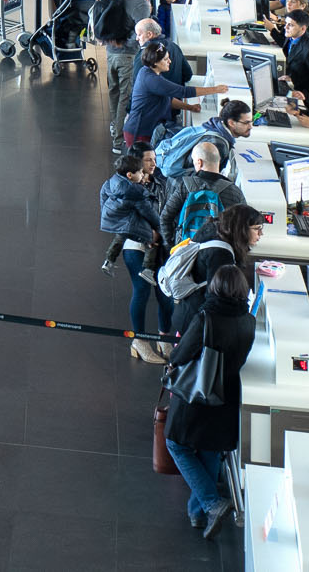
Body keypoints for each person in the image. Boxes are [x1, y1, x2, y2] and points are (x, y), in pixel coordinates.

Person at [164, 264, 257, 536]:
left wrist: (173, 359)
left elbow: (180, 356)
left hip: (197, 395)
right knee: (210, 450)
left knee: (177, 445)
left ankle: (211, 502)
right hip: (227, 397)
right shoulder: (249, 321)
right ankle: (199, 513)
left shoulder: (206, 317)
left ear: (215, 288)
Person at [101, 147, 169, 360]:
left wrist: (160, 233)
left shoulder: (161, 182)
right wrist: (149, 231)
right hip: (135, 240)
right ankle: (139, 340)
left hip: (159, 239)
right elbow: (110, 209)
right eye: (148, 160)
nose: (153, 164)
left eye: (155, 159)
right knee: (142, 289)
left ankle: (164, 339)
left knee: (165, 293)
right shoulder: (125, 187)